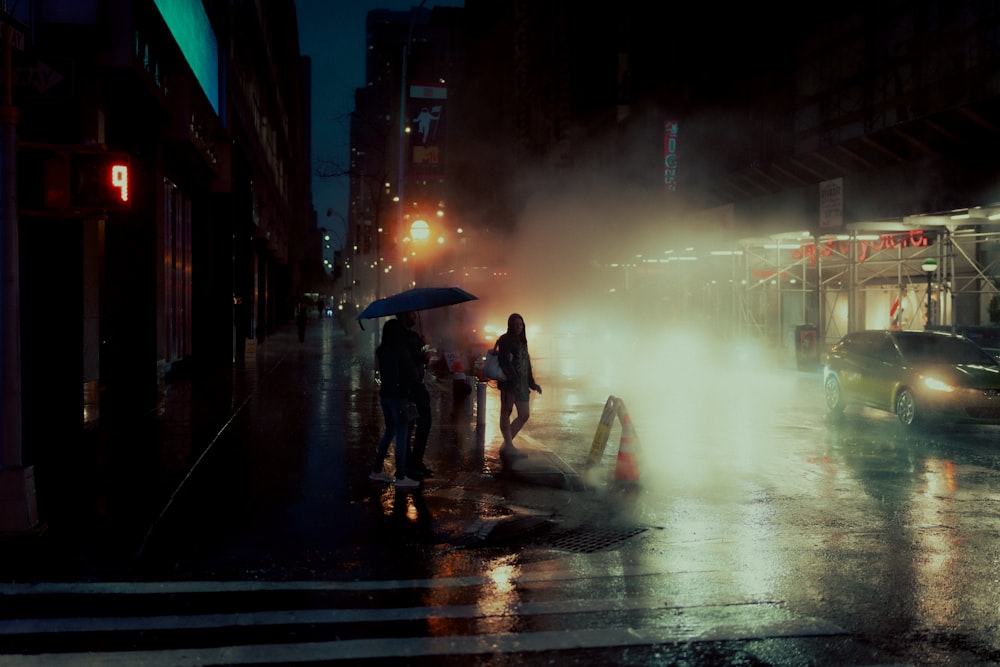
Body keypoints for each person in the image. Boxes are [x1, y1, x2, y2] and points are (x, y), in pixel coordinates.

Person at [370, 319, 421, 489]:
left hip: (385, 395)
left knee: (389, 432)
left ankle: (377, 470)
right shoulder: (401, 351)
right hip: (400, 396)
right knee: (401, 436)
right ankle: (400, 476)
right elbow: (412, 372)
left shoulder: (381, 350)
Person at [496, 313, 542, 459]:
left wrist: (532, 383)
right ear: (510, 325)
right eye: (515, 324)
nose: (518, 327)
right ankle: (509, 446)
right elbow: (504, 362)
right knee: (506, 412)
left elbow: (526, 363)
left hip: (522, 385)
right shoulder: (505, 340)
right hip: (509, 385)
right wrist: (513, 378)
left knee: (524, 414)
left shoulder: (522, 340)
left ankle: (506, 444)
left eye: (520, 324)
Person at [397, 311, 433, 479]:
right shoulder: (402, 337)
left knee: (418, 423)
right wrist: (422, 355)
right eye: (411, 314)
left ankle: (414, 462)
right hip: (410, 388)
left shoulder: (411, 336)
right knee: (414, 424)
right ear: (403, 316)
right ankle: (410, 464)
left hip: (414, 386)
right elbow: (408, 360)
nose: (414, 316)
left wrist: (422, 348)